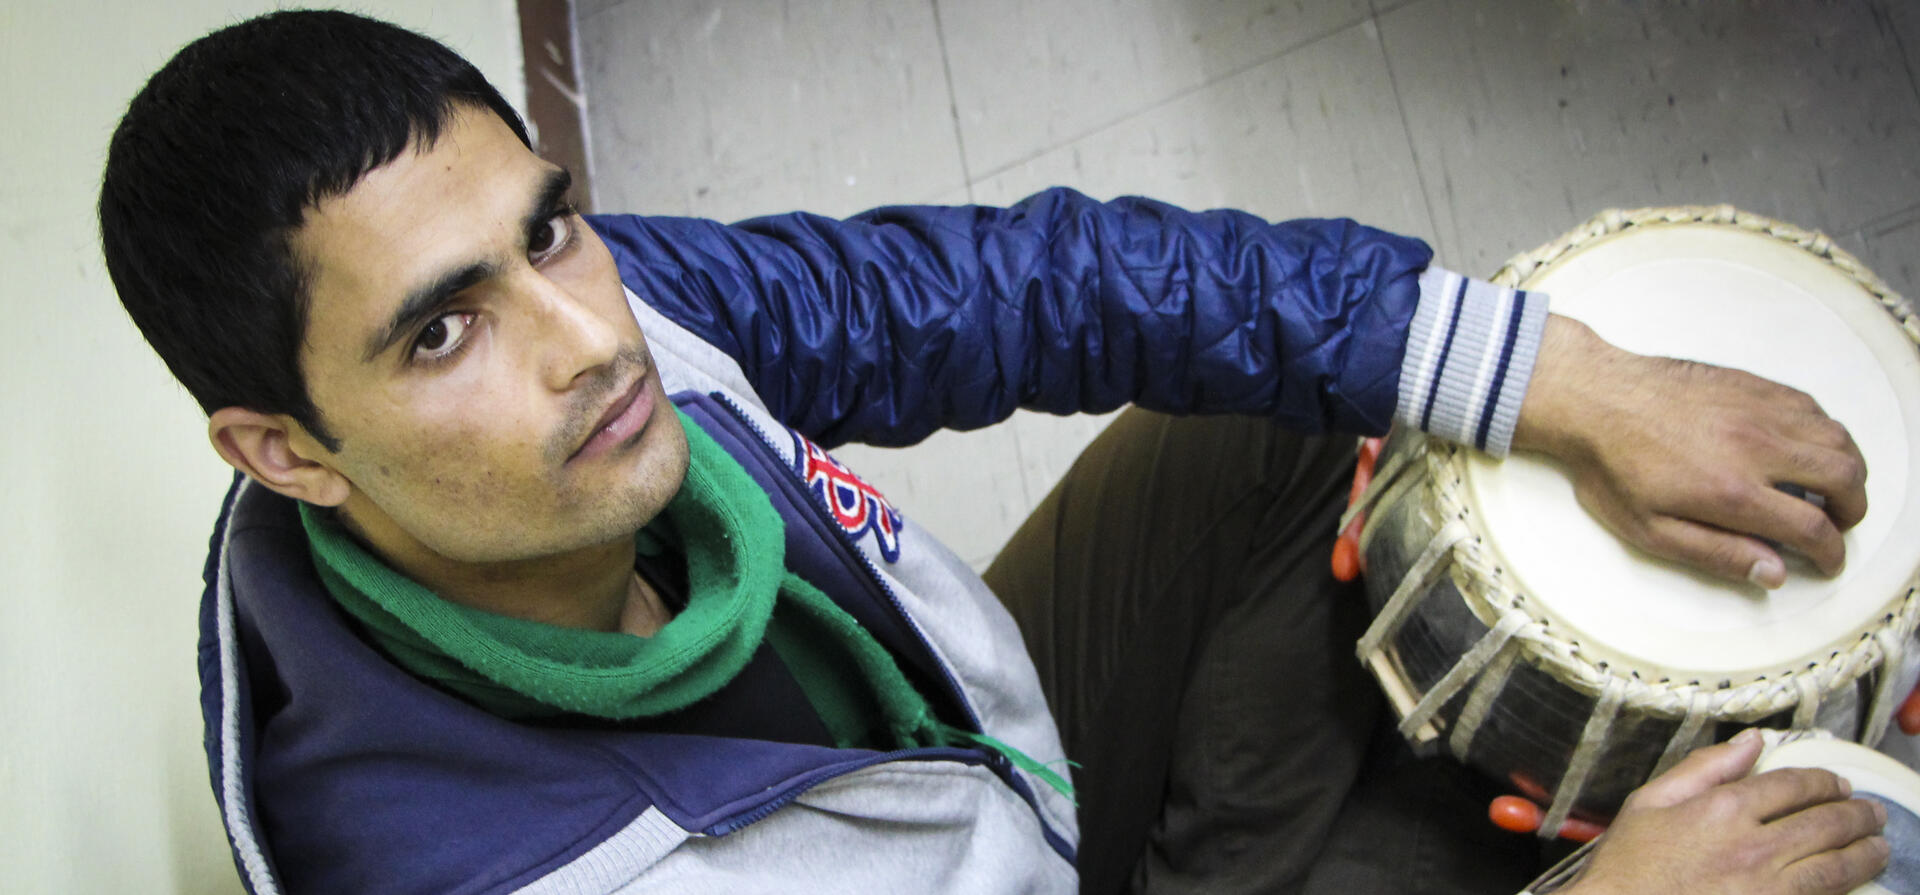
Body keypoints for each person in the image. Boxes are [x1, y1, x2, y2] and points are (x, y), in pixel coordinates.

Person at [99, 10, 1885, 895]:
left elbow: (1042, 283)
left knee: (1270, 427)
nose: (591, 341)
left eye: (551, 229)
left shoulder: (609, 310)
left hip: (989, 795)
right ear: (286, 451)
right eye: (441, 331)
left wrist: (1558, 374)